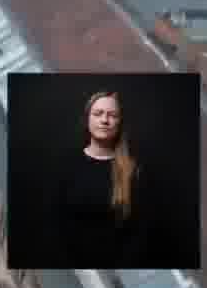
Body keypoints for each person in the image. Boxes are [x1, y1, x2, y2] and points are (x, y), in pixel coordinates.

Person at [52, 91, 151, 268]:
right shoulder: (65, 163)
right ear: (87, 118)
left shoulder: (133, 171)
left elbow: (139, 231)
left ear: (120, 123)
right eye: (98, 114)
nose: (104, 120)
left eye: (112, 115)